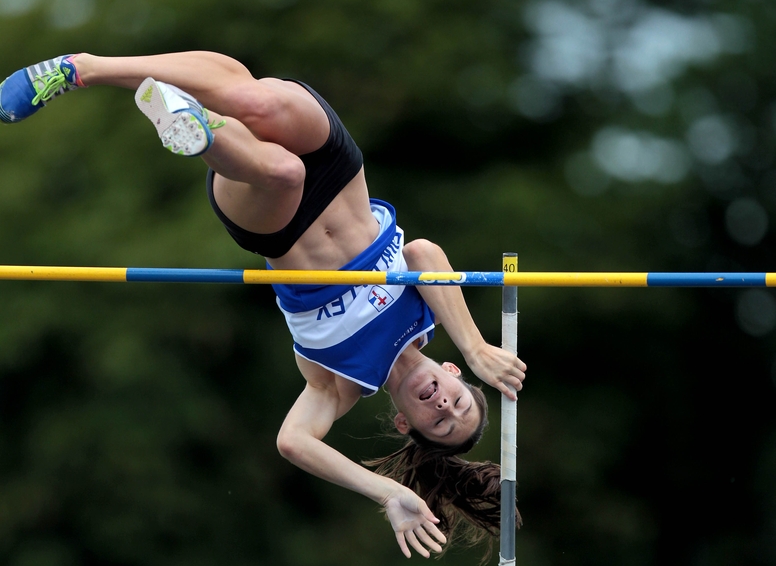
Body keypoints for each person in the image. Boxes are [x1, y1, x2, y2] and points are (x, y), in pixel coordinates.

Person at [0, 52, 526, 558]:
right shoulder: (429, 312)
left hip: (275, 216)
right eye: (459, 401)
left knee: (282, 172)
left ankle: (196, 127)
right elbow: (424, 253)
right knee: (256, 101)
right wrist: (479, 346)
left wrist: (386, 493)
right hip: (339, 169)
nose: (443, 406)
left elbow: (294, 442)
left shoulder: (342, 382)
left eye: (438, 422)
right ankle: (80, 70)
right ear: (454, 372)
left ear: (406, 424)